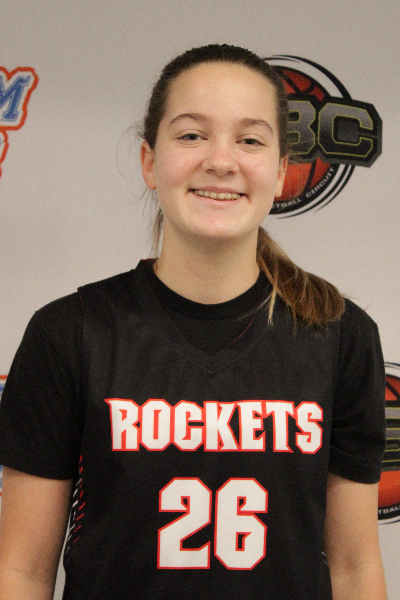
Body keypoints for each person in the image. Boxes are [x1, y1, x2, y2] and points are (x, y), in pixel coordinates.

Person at [0, 44, 387, 600]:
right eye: (191, 135)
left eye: (250, 140)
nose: (221, 161)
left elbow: (354, 567)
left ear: (281, 171)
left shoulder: (341, 336)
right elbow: (22, 572)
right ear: (149, 161)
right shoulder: (70, 332)